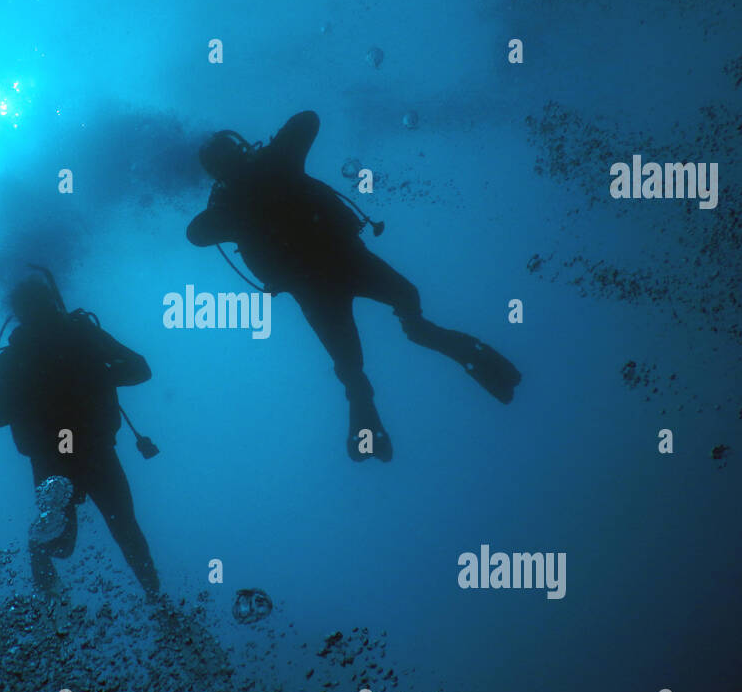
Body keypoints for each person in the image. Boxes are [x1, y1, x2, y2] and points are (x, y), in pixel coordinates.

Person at [186, 110, 521, 462]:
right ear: (237, 150)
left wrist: (232, 200)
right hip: (343, 263)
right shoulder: (276, 163)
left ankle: (367, 391)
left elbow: (196, 234)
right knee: (401, 303)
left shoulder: (238, 198)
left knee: (350, 359)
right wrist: (267, 156)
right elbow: (307, 120)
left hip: (315, 286)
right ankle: (424, 337)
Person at [0, 272, 162, 598]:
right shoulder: (77, 337)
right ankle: (156, 599)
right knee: (116, 531)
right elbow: (139, 369)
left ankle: (155, 599)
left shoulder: (58, 344)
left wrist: (91, 377)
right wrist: (94, 377)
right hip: (80, 452)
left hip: (65, 455)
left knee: (98, 534)